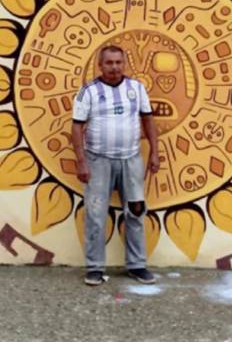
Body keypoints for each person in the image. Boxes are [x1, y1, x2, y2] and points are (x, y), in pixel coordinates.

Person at [71, 45, 160, 286]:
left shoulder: (136, 88)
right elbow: (77, 127)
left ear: (124, 64)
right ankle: (95, 268)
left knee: (136, 212)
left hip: (131, 160)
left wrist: (154, 152)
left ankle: (137, 265)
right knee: (96, 214)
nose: (114, 67)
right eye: (109, 63)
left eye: (118, 62)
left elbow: (148, 120)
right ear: (100, 65)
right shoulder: (88, 91)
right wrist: (81, 162)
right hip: (98, 161)